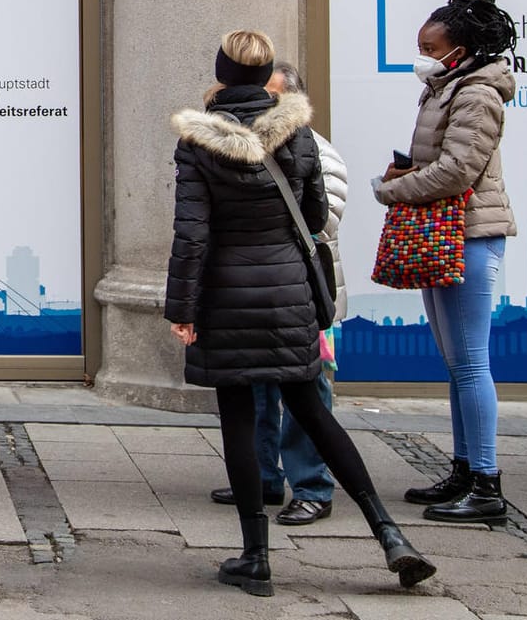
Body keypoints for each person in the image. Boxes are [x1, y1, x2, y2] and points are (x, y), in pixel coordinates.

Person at [166, 30, 433, 596]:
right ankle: (389, 535)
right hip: (288, 292)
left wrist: (182, 309)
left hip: (226, 295)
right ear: (267, 78)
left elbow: (192, 235)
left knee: (237, 417)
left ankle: (254, 558)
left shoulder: (197, 143)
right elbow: (312, 216)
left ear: (221, 73)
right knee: (314, 413)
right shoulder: (299, 132)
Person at [374, 0, 516, 526]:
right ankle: (463, 470)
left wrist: (390, 190)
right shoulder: (448, 86)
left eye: (432, 47)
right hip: (452, 231)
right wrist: (406, 170)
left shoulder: (476, 93)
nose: (424, 56)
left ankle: (485, 484)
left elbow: (459, 170)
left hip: (470, 235)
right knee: (458, 364)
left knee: (471, 362)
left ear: (462, 48)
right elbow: (442, 160)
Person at [207, 61, 348, 526]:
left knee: (309, 394)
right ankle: (265, 477)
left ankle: (312, 488)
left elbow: (322, 220)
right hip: (262, 290)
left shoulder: (313, 148)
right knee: (259, 389)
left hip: (298, 295)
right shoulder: (237, 147)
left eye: (268, 94)